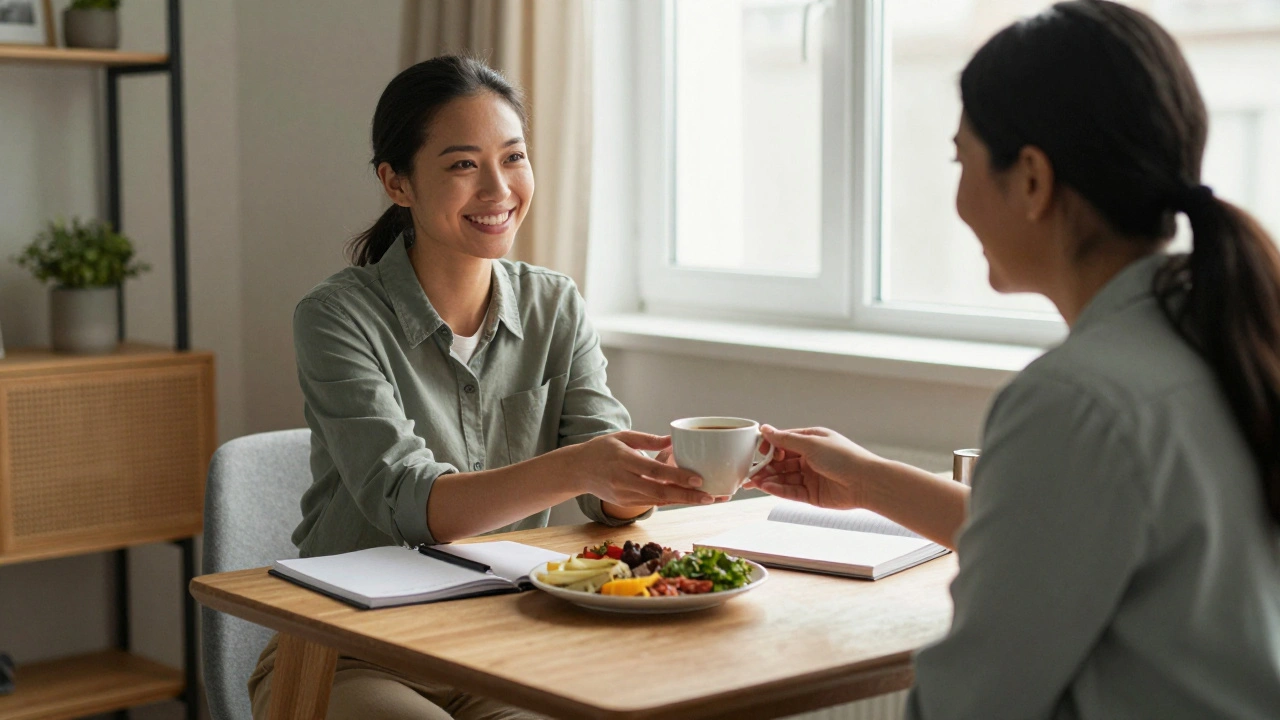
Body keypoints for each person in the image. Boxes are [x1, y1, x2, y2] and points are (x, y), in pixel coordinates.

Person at [748, 2, 1280, 718]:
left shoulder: (1075, 400)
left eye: (960, 159)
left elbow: (965, 704)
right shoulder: (1230, 339)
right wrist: (869, 481)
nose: (959, 195)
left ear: (1031, 179)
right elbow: (1068, 541)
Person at [248, 55, 715, 720]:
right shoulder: (336, 317)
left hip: (500, 648)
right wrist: (583, 466)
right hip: (349, 650)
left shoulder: (556, 306)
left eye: (514, 157)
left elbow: (600, 485)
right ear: (396, 182)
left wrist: (636, 484)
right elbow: (412, 504)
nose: (499, 188)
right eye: (464, 164)